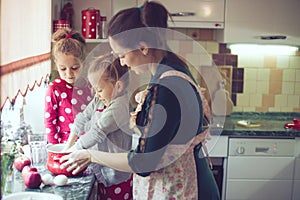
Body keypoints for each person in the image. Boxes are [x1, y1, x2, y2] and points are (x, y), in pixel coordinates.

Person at [60, 1, 220, 199]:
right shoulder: (171, 68)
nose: (121, 62)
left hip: (186, 190)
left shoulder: (166, 86)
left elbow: (143, 163)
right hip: (185, 182)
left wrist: (91, 155)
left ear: (143, 47)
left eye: (122, 54)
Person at [63, 53, 133, 200]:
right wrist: (67, 147)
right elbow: (82, 118)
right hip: (103, 170)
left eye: (99, 89)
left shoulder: (119, 107)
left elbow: (97, 132)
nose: (96, 94)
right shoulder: (100, 100)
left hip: (117, 176)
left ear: (118, 86)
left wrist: (75, 149)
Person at [44, 28, 92, 144]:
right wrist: (55, 149)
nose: (69, 73)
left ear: (83, 62)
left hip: (91, 143)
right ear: (56, 64)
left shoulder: (91, 84)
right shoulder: (54, 88)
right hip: (66, 145)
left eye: (75, 68)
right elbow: (50, 122)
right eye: (63, 68)